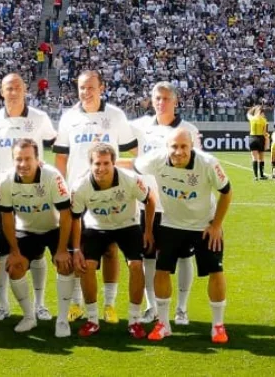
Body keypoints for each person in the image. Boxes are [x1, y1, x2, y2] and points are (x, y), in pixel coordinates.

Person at [53, 71, 138, 324]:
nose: (85, 92)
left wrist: (117, 169)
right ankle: (77, 304)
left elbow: (134, 149)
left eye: (90, 87)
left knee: (110, 250)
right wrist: (61, 187)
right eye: (81, 87)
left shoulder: (115, 115)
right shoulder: (68, 117)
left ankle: (110, 305)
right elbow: (60, 156)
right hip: (77, 192)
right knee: (78, 249)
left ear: (102, 87)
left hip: (108, 190)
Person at [134, 129, 233, 343]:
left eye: (184, 147)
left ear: (192, 146)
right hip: (171, 223)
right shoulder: (156, 159)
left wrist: (216, 225)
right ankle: (163, 324)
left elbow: (227, 191)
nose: (179, 152)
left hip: (204, 225)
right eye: (174, 147)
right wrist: (102, 163)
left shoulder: (208, 163)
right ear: (166, 147)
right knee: (162, 271)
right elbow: (133, 165)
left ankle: (218, 326)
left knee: (216, 271)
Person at [0, 73, 57, 322]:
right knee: (3, 251)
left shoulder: (39, 117)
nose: (13, 92)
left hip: (34, 192)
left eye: (17, 88)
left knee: (36, 252)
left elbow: (56, 144)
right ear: (1, 92)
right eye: (8, 88)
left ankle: (40, 305)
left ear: (25, 90)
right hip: (3, 192)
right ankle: (2, 305)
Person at [129, 82, 200, 325]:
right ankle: (152, 307)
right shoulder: (138, 127)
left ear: (175, 101)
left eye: (166, 98)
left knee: (183, 257)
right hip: (146, 205)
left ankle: (181, 309)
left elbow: (197, 169)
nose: (161, 102)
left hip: (177, 206)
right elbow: (126, 156)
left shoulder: (188, 130)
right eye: (157, 98)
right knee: (148, 256)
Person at [70, 143, 155, 338]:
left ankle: (134, 321)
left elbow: (149, 199)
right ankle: (92, 320)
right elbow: (75, 218)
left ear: (114, 163)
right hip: (96, 227)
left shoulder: (130, 179)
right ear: (90, 165)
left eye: (106, 163)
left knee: (135, 265)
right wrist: (76, 249)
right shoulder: (80, 186)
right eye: (97, 163)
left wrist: (148, 231)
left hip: (127, 225)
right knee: (87, 266)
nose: (101, 168)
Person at [0, 139, 74, 336]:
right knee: (14, 267)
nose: (23, 164)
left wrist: (63, 250)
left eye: (28, 159)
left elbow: (66, 215)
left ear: (38, 159)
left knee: (66, 265)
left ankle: (63, 320)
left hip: (54, 227)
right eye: (18, 159)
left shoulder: (52, 177)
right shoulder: (6, 181)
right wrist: (14, 252)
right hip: (26, 230)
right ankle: (29, 316)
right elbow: (7, 218)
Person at [247, 105, 269, 180]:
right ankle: (262, 175)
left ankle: (256, 176)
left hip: (252, 138)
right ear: (262, 112)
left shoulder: (252, 118)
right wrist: (266, 141)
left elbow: (248, 113)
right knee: (261, 158)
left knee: (254, 158)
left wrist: (254, 108)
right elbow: (264, 133)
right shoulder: (264, 120)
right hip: (260, 138)